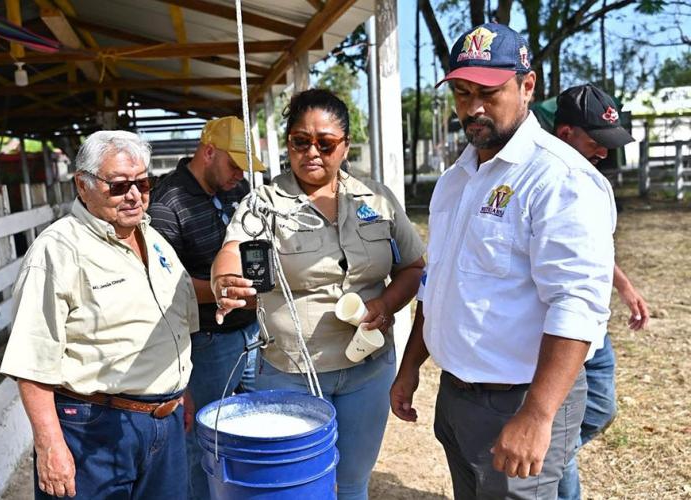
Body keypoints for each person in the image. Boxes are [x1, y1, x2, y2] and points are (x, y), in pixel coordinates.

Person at [390, 23, 617, 499]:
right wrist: (411, 365)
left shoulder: (559, 178)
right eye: (462, 92)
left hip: (520, 399)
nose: (473, 108)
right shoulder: (458, 178)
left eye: (489, 92)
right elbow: (438, 282)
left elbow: (576, 304)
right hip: (458, 394)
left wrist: (536, 415)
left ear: (527, 86)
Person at [210, 88, 425, 500]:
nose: (312, 152)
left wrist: (384, 304)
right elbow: (233, 251)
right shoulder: (265, 202)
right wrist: (226, 282)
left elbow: (412, 268)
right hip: (292, 372)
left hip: (368, 368)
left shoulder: (376, 199)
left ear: (344, 146)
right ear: (288, 143)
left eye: (325, 144)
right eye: (300, 141)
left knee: (352, 482)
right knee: (299, 486)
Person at [0, 130, 198, 499]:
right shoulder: (57, 252)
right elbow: (31, 362)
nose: (135, 195)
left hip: (164, 424)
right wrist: (50, 446)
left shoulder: (153, 238)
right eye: (120, 186)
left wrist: (180, 393)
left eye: (144, 182)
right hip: (95, 429)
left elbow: (174, 326)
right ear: (83, 185)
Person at [147, 116, 265, 500]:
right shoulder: (167, 202)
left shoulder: (239, 189)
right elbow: (163, 286)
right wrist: (227, 292)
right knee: (204, 438)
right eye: (233, 165)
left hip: (252, 332)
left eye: (244, 168)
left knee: (255, 426)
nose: (239, 175)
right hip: (206, 340)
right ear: (208, 151)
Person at [553, 83, 651, 500]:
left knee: (599, 409)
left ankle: (547, 460)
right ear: (565, 134)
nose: (604, 152)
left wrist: (625, 289)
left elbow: (593, 249)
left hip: (596, 328)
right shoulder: (544, 184)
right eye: (597, 142)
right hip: (562, 329)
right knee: (562, 431)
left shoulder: (592, 183)